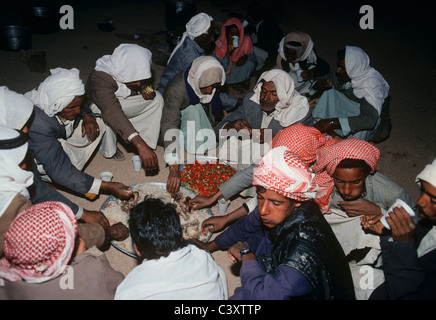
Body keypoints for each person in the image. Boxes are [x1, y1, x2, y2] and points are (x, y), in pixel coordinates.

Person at [193, 146, 355, 300]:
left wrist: (247, 256)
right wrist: (211, 246)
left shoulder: (302, 255)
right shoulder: (281, 205)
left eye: (274, 203)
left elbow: (265, 296)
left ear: (297, 201)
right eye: (260, 198)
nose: (263, 209)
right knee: (258, 234)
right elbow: (247, 224)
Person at [0, 85, 126, 232]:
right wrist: (85, 215)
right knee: (44, 223)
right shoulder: (37, 128)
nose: (27, 130)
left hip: (41, 154)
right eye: (23, 125)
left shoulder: (39, 99)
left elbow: (76, 102)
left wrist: (87, 115)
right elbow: (46, 184)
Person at [0, 125, 129, 257]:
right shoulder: (11, 207)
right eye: (21, 163)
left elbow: (36, 188)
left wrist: (82, 213)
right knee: (91, 267)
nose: (25, 166)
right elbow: (54, 238)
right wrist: (107, 233)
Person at [311, 137, 416, 299]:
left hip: (372, 229)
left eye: (356, 182)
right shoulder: (324, 185)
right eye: (339, 181)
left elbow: (412, 224)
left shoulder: (391, 192)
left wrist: (377, 211)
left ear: (367, 174)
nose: (346, 190)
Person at [190, 124, 332, 233]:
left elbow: (267, 203)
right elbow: (250, 173)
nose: (264, 209)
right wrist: (213, 198)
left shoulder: (322, 178)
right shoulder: (284, 159)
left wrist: (228, 218)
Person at [25, 68, 133, 202]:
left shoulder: (54, 95)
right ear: (56, 104)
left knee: (98, 123)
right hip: (34, 159)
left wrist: (87, 115)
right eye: (71, 108)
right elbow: (59, 170)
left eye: (79, 105)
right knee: (61, 169)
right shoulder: (39, 124)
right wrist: (106, 186)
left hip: (57, 134)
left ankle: (65, 171)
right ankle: (41, 179)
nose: (77, 111)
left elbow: (78, 103)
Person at [0, 201, 125, 300]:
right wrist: (85, 256)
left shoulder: (5, 279)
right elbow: (121, 286)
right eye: (75, 238)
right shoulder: (92, 269)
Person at [114, 197, 227, 300]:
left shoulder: (129, 289)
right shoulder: (202, 257)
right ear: (180, 235)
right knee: (220, 272)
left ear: (136, 249)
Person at [362, 158, 436, 299]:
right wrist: (390, 232)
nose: (420, 201)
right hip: (388, 278)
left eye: (433, 200)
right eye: (422, 190)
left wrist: (402, 246)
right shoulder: (428, 222)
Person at [215, 69, 313, 171]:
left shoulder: (299, 112)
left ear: (284, 94)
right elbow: (219, 130)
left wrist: (275, 140)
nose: (265, 98)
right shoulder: (252, 102)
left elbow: (305, 152)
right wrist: (231, 125)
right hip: (250, 156)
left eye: (274, 94)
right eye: (264, 91)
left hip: (278, 165)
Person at [86, 43, 164, 167]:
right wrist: (139, 144)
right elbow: (112, 110)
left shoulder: (132, 74)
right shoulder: (100, 77)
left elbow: (139, 82)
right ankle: (109, 149)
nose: (138, 83)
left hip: (120, 103)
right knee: (105, 113)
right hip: (101, 107)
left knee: (157, 99)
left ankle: (145, 138)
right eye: (135, 79)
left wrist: (144, 87)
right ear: (124, 70)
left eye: (141, 78)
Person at [160, 56, 226, 193]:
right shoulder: (176, 89)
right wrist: (173, 167)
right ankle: (191, 147)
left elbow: (213, 108)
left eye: (213, 86)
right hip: (174, 116)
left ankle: (200, 142)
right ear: (197, 80)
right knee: (194, 110)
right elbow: (169, 123)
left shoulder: (207, 81)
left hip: (194, 110)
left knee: (201, 119)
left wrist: (212, 124)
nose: (209, 91)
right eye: (206, 87)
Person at [157, 12, 240, 110]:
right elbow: (206, 86)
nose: (213, 39)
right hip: (170, 96)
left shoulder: (192, 43)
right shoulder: (189, 57)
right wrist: (235, 102)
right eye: (211, 36)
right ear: (203, 36)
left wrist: (227, 55)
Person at [311, 46, 391, 142]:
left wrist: (332, 122)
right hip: (353, 110)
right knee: (330, 90)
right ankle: (331, 130)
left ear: (354, 69)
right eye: (338, 66)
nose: (337, 70)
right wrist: (318, 85)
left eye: (343, 68)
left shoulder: (371, 86)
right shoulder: (342, 74)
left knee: (362, 122)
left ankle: (353, 146)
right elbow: (320, 81)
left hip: (372, 123)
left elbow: (368, 120)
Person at [274, 31, 330, 96]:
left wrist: (310, 73)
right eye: (287, 53)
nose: (289, 57)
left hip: (301, 84)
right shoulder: (280, 54)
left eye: (292, 54)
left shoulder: (306, 54)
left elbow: (325, 67)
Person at [213, 17, 257, 86]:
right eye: (232, 33)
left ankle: (241, 81)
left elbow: (254, 58)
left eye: (237, 34)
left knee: (250, 64)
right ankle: (232, 83)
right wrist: (228, 53)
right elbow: (220, 67)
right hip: (227, 69)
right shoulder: (219, 44)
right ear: (226, 33)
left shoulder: (245, 41)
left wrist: (246, 57)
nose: (234, 36)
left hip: (239, 67)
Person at [242, 0, 283, 71]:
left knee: (246, 47)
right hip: (266, 45)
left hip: (271, 53)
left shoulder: (265, 27)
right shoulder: (263, 20)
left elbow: (265, 46)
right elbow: (246, 29)